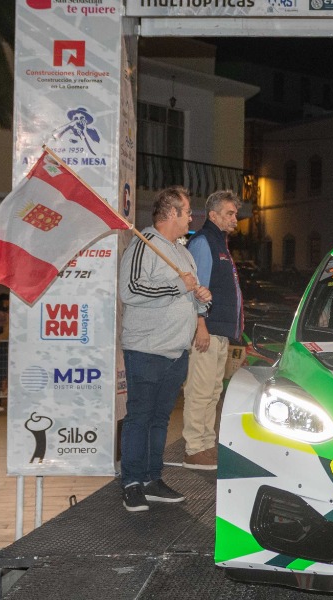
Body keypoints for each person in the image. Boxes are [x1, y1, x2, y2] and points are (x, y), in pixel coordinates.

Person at [119, 186, 212, 512]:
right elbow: (129, 290)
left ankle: (151, 478)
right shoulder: (144, 245)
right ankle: (131, 482)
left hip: (176, 351)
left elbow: (185, 294)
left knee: (160, 419)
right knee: (140, 417)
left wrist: (200, 297)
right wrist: (177, 286)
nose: (191, 217)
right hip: (146, 349)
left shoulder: (182, 252)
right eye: (187, 212)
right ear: (171, 213)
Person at [182, 190, 244, 472]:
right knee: (200, 389)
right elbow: (198, 287)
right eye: (230, 213)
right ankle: (194, 447)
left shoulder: (219, 243)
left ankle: (206, 444)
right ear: (214, 214)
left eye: (235, 213)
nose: (235, 218)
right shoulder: (204, 242)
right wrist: (201, 325)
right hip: (207, 330)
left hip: (218, 331)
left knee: (212, 391)